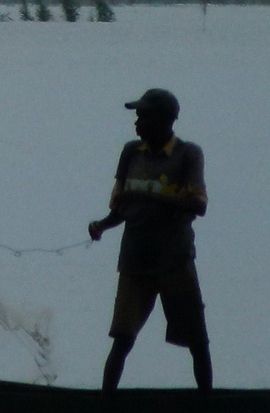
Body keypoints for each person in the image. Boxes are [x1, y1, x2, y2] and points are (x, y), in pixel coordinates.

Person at [87, 88, 212, 394]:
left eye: (143, 116)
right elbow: (121, 208)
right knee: (122, 338)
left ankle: (207, 402)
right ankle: (105, 403)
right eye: (137, 116)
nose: (137, 122)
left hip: (175, 261)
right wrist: (102, 225)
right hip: (135, 261)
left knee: (196, 340)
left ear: (164, 120)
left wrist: (159, 196)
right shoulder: (131, 153)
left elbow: (199, 205)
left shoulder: (187, 154)